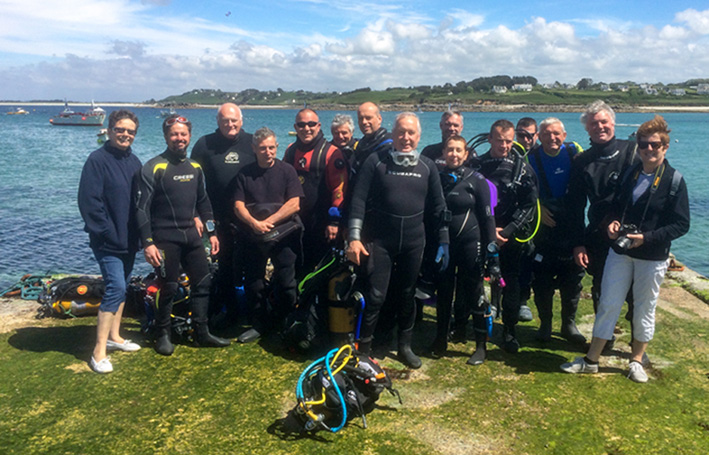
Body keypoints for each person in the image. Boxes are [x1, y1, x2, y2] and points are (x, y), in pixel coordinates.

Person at [561, 115, 689, 382]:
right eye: (643, 144)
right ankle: (591, 360)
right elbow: (616, 205)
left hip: (652, 256)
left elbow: (681, 224)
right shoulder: (632, 173)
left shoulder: (674, 181)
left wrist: (647, 237)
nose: (649, 149)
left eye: (655, 145)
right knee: (608, 303)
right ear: (638, 147)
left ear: (665, 147)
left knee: (644, 307)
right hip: (621, 251)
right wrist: (613, 221)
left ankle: (636, 360)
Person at [346, 112, 449, 369]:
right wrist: (354, 238)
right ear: (392, 134)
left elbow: (439, 207)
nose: (406, 137)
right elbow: (358, 201)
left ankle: (404, 346)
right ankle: (364, 349)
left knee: (406, 295)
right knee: (375, 295)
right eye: (401, 132)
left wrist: (444, 241)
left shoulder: (427, 166)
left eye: (411, 132)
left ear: (419, 136)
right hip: (381, 241)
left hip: (414, 242)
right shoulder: (376, 161)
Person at [135, 115, 230, 356]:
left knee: (203, 282)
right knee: (168, 286)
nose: (179, 138)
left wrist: (212, 233)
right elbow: (141, 209)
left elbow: (203, 202)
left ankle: (201, 332)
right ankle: (162, 334)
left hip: (191, 236)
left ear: (189, 136)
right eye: (174, 134)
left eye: (183, 134)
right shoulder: (153, 167)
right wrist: (148, 243)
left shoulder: (195, 168)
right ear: (166, 137)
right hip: (164, 239)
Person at [565, 100, 640, 349]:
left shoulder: (634, 152)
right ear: (587, 128)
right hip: (599, 234)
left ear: (613, 123)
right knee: (601, 289)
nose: (599, 127)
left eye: (603, 122)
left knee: (636, 293)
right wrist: (578, 244)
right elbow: (575, 207)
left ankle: (637, 343)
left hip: (633, 232)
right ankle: (605, 339)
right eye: (593, 124)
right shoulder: (582, 161)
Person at [78, 110, 143, 373]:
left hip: (129, 239)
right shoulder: (97, 160)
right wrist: (105, 231)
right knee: (115, 287)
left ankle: (115, 337)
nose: (125, 135)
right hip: (107, 241)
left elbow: (141, 201)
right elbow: (89, 201)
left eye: (130, 131)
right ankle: (98, 351)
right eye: (120, 129)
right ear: (110, 130)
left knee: (123, 287)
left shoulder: (134, 161)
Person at [429, 135, 497, 365]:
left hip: (470, 243)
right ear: (443, 153)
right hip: (444, 245)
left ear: (466, 154)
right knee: (444, 292)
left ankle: (480, 346)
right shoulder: (437, 178)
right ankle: (440, 339)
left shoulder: (477, 180)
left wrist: (492, 252)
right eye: (450, 150)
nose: (454, 154)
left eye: (459, 150)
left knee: (474, 292)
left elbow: (488, 218)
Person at [233, 128, 304, 343]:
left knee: (286, 282)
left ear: (277, 147)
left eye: (272, 147)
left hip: (283, 233)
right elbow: (238, 205)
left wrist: (270, 222)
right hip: (254, 233)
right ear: (254, 149)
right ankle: (259, 323)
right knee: (254, 282)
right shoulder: (244, 173)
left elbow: (295, 204)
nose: (268, 152)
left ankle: (285, 321)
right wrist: (254, 223)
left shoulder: (287, 171)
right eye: (263, 148)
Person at [476, 119, 538, 353]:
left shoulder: (522, 169)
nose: (504, 146)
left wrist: (508, 231)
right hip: (483, 232)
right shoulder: (477, 165)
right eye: (499, 140)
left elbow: (530, 205)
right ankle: (473, 327)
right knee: (475, 281)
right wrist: (488, 230)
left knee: (511, 283)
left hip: (509, 236)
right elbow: (469, 199)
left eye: (508, 141)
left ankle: (510, 332)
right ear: (490, 139)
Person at [190, 103, 255, 322]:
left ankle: (253, 312)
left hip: (250, 217)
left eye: (234, 120)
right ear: (218, 122)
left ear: (241, 121)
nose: (230, 124)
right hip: (217, 217)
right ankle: (229, 312)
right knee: (224, 265)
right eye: (225, 120)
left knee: (251, 265)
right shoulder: (204, 144)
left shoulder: (252, 143)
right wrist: (195, 213)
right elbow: (192, 182)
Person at [526, 118, 585, 343]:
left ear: (564, 135)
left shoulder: (574, 151)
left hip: (571, 222)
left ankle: (569, 324)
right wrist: (537, 208)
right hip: (544, 225)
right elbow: (523, 191)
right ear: (539, 137)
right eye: (547, 134)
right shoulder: (530, 157)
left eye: (557, 133)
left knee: (573, 278)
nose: (552, 138)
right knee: (541, 278)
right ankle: (546, 324)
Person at [283, 109, 348, 277]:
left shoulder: (331, 152)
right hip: (294, 222)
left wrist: (334, 221)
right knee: (295, 267)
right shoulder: (290, 151)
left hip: (321, 224)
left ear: (319, 126)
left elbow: (339, 189)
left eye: (311, 124)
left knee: (319, 272)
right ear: (295, 127)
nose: (307, 128)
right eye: (301, 125)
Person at [514, 117, 538, 323]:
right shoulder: (509, 152)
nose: (526, 139)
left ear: (536, 135)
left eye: (530, 135)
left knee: (529, 260)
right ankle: (495, 302)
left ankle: (523, 301)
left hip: (537, 217)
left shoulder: (540, 154)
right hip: (513, 216)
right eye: (521, 135)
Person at [349, 102, 393, 173]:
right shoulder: (360, 145)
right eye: (361, 118)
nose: (364, 122)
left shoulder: (389, 146)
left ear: (379, 119)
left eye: (368, 118)